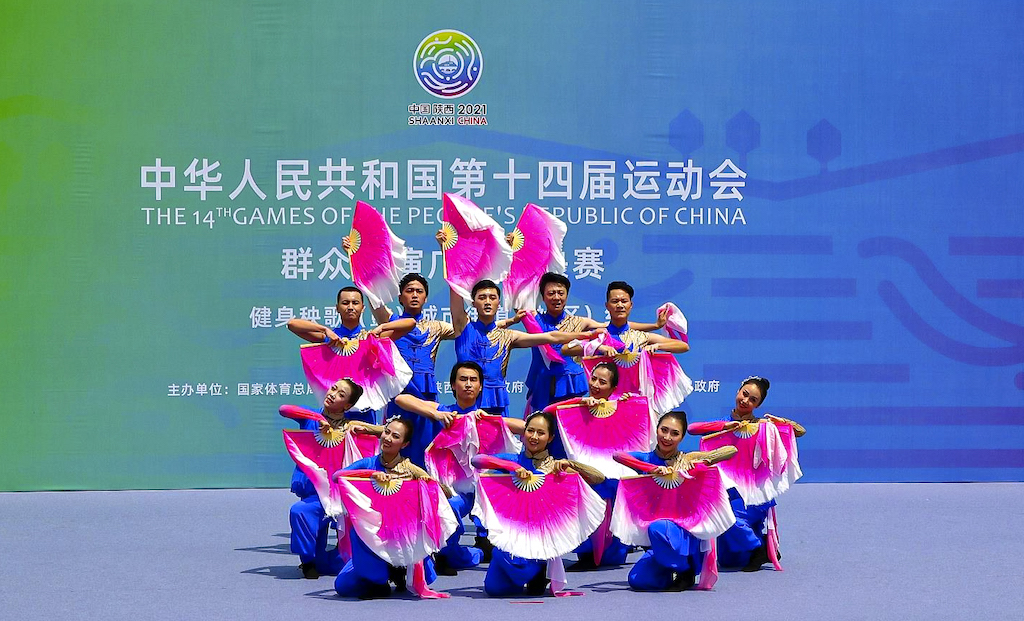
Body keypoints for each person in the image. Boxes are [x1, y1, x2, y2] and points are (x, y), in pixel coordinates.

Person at [393, 361, 526, 573]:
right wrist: (435, 414)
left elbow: (526, 427)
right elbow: (401, 399)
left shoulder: (485, 417)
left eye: (473, 380)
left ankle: (471, 551)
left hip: (481, 489)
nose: (468, 384)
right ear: (453, 385)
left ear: (480, 387)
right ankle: (458, 553)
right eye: (463, 379)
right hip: (450, 488)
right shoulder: (444, 411)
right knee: (450, 507)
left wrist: (492, 420)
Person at [477, 411, 609, 596]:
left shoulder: (556, 467)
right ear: (524, 433)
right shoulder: (512, 460)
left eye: (541, 433)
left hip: (541, 535)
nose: (534, 437)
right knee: (494, 589)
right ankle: (527, 574)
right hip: (514, 530)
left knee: (507, 561)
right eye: (530, 431)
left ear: (550, 438)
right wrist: (513, 467)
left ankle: (540, 567)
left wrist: (571, 465)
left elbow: (598, 478)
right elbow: (477, 460)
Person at [687, 376, 804, 571]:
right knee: (729, 561)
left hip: (755, 495)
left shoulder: (763, 426)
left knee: (729, 519)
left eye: (753, 400)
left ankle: (758, 548)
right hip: (730, 495)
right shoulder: (723, 425)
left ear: (758, 405)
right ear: (738, 391)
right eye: (745, 394)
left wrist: (781, 422)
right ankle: (761, 541)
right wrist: (726, 427)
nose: (746, 401)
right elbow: (692, 429)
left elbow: (800, 431)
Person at [613, 411, 736, 590]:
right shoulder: (646, 459)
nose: (667, 437)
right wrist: (651, 469)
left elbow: (731, 450)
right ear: (656, 429)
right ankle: (671, 570)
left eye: (675, 433)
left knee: (657, 527)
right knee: (636, 580)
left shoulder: (687, 459)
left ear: (682, 437)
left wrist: (699, 463)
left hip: (685, 529)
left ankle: (685, 568)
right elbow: (618, 455)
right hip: (659, 538)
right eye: (664, 430)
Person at [445, 276, 596, 417]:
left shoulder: (508, 336)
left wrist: (587, 335)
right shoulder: (463, 327)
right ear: (473, 303)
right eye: (482, 297)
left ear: (499, 303)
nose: (487, 302)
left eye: (492, 298)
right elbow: (455, 287)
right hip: (465, 401)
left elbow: (550, 337)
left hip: (496, 403)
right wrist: (452, 258)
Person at [518, 272, 667, 412]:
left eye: (561, 293)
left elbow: (616, 324)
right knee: (539, 425)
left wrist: (654, 326)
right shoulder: (534, 319)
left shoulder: (580, 322)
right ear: (543, 297)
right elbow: (517, 297)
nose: (556, 297)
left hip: (570, 383)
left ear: (567, 296)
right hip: (540, 382)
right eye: (551, 293)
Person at [281, 378, 382, 579]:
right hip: (316, 495)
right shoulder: (311, 418)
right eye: (333, 389)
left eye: (340, 395)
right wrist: (317, 418)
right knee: (300, 512)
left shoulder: (352, 427)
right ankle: (308, 562)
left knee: (349, 559)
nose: (333, 394)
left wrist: (364, 427)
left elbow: (389, 432)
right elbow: (284, 409)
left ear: (348, 406)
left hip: (343, 497)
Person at [333, 417, 443, 599]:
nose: (388, 438)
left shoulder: (412, 470)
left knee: (424, 576)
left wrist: (425, 485)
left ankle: (396, 571)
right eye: (386, 432)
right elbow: (337, 476)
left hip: (403, 537)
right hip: (373, 536)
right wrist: (371, 475)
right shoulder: (368, 464)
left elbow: (443, 492)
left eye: (395, 436)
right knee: (343, 586)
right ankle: (379, 579)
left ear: (405, 444)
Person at [563, 280, 689, 358]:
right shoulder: (597, 335)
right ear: (607, 306)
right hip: (601, 392)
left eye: (624, 301)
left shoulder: (641, 337)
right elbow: (565, 349)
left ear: (631, 305)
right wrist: (598, 347)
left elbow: (683, 346)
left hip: (633, 392)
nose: (620, 305)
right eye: (615, 301)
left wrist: (657, 346)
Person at [287, 286, 416, 345]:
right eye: (345, 303)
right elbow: (292, 324)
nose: (350, 307)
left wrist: (382, 327)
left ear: (362, 308)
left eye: (355, 303)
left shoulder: (371, 337)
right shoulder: (330, 338)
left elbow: (411, 323)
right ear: (337, 308)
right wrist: (325, 330)